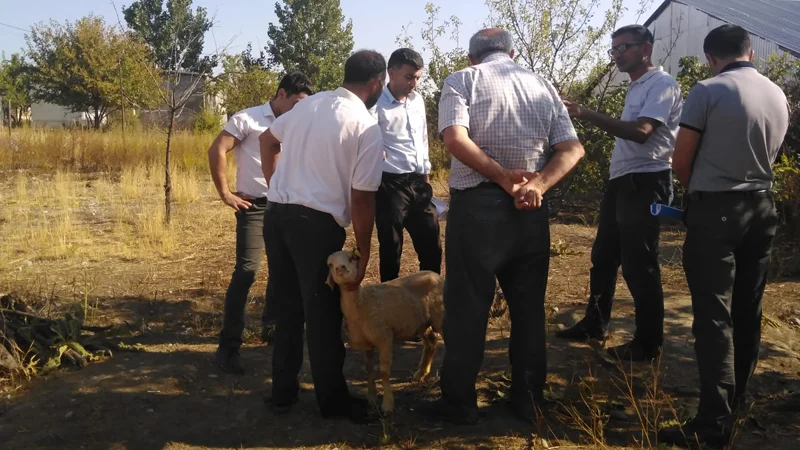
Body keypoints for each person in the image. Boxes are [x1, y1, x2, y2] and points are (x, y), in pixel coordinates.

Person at [416, 28, 585, 425]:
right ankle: (527, 400)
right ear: (511, 52)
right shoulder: (542, 85)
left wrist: (501, 177)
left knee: (467, 308)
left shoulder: (462, 80)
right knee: (528, 310)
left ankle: (459, 403)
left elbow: (455, 139)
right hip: (530, 210)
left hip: (478, 210)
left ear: (473, 56)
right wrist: (537, 184)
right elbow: (573, 148)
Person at [658, 25, 789, 448]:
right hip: (762, 207)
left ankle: (712, 422)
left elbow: (682, 158)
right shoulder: (777, 93)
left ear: (711, 56)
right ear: (750, 52)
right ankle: (738, 403)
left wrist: (695, 194)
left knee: (714, 315)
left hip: (717, 210)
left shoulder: (707, 90)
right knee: (748, 309)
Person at [258, 50, 387, 424]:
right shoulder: (365, 125)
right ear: (376, 83)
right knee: (323, 314)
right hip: (314, 225)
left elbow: (267, 142)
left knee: (287, 306)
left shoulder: (307, 106)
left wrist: (280, 186)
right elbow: (362, 197)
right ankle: (333, 403)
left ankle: (282, 393)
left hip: (277, 216)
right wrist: (363, 252)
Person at [556, 24, 683, 361]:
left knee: (640, 264)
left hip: (646, 182)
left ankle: (648, 343)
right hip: (622, 181)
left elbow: (642, 132)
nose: (617, 54)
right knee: (604, 257)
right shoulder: (636, 87)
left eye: (624, 47)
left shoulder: (662, 85)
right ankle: (595, 324)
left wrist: (584, 113)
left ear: (646, 48)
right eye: (614, 49)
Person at [209, 72, 313, 374]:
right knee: (247, 270)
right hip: (254, 205)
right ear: (281, 94)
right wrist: (226, 193)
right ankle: (229, 346)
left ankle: (273, 326)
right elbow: (217, 149)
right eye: (295, 102)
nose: (298, 110)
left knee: (284, 269)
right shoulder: (248, 119)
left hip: (288, 204)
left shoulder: (301, 122)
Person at [370, 47, 442, 283]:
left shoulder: (417, 100)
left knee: (431, 243)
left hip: (418, 183)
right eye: (409, 77)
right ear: (391, 72)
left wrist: (426, 174)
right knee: (391, 247)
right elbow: (366, 136)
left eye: (418, 78)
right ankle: (389, 303)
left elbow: (422, 138)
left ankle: (430, 299)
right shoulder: (375, 103)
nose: (414, 83)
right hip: (389, 185)